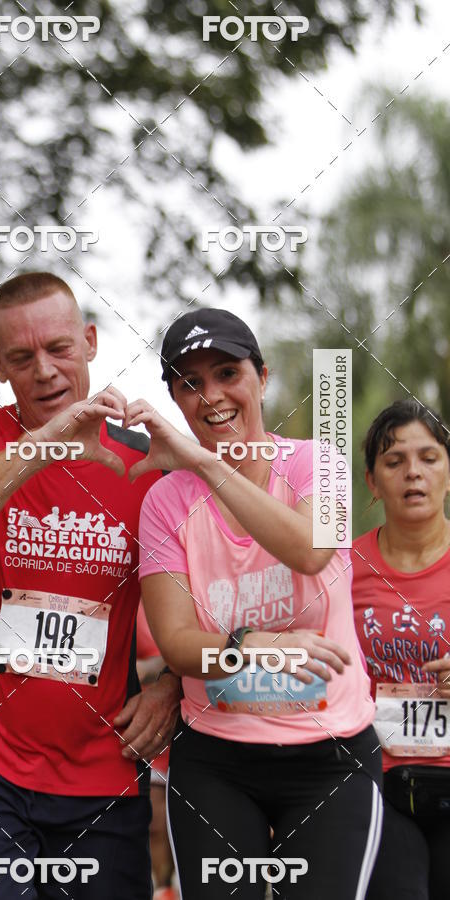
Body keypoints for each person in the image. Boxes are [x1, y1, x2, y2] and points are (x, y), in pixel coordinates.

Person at [0, 272, 181, 899]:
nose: (45, 371)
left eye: (59, 349)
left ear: (89, 341)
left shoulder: (146, 460)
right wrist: (51, 442)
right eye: (23, 358)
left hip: (102, 775)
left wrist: (174, 685)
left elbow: (221, 583)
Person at [132, 308, 382, 899]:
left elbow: (311, 550)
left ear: (262, 377)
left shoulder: (318, 463)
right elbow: (177, 643)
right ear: (173, 397)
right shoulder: (165, 502)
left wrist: (202, 461)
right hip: (218, 759)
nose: (211, 395)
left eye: (226, 372)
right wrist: (259, 648)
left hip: (332, 754)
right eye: (190, 383)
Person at [352, 399, 450, 900]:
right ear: (372, 480)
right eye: (394, 462)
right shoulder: (342, 567)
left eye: (429, 458)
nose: (414, 473)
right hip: (377, 782)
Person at [136, 606, 178, 900]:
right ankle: (157, 889)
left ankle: (168, 887)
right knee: (153, 822)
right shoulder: (130, 595)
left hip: (187, 719)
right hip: (142, 724)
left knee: (170, 824)